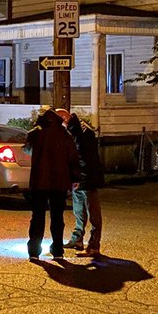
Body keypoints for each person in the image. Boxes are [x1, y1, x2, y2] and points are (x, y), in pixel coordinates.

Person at [25, 107, 81, 261]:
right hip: (59, 182)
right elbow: (73, 158)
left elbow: (27, 151)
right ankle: (57, 250)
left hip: (39, 182)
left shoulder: (36, 134)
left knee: (37, 216)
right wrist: (75, 178)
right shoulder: (65, 135)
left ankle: (34, 251)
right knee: (57, 217)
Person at [58, 108, 105, 257]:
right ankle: (77, 239)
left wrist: (80, 177)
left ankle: (94, 245)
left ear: (65, 118)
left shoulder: (80, 132)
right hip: (79, 178)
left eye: (60, 119)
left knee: (93, 213)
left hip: (86, 179)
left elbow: (84, 157)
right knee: (79, 211)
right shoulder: (75, 130)